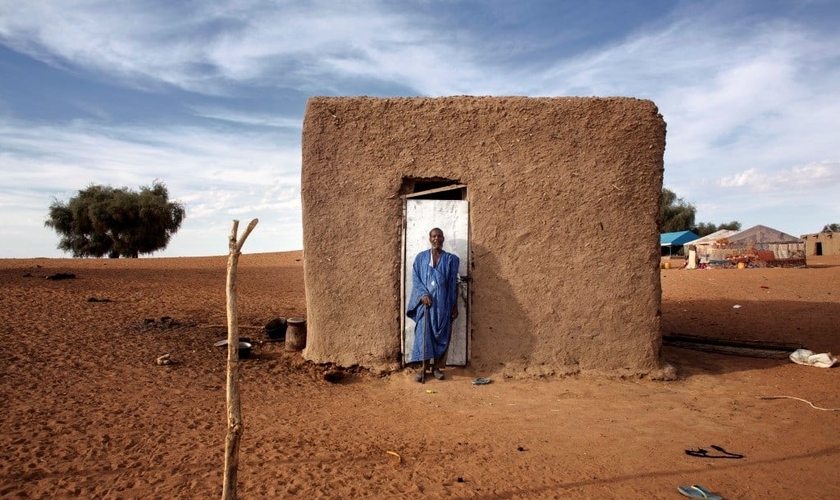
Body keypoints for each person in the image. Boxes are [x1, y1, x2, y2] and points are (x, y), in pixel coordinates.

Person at [407, 227, 460, 382]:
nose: (436, 238)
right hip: (425, 306)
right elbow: (416, 280)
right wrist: (423, 294)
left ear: (443, 239)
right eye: (434, 236)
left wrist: (454, 305)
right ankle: (423, 369)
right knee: (423, 335)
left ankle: (437, 368)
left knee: (442, 335)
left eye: (439, 236)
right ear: (430, 239)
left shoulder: (451, 259)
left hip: (443, 304)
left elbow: (453, 284)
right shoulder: (421, 258)